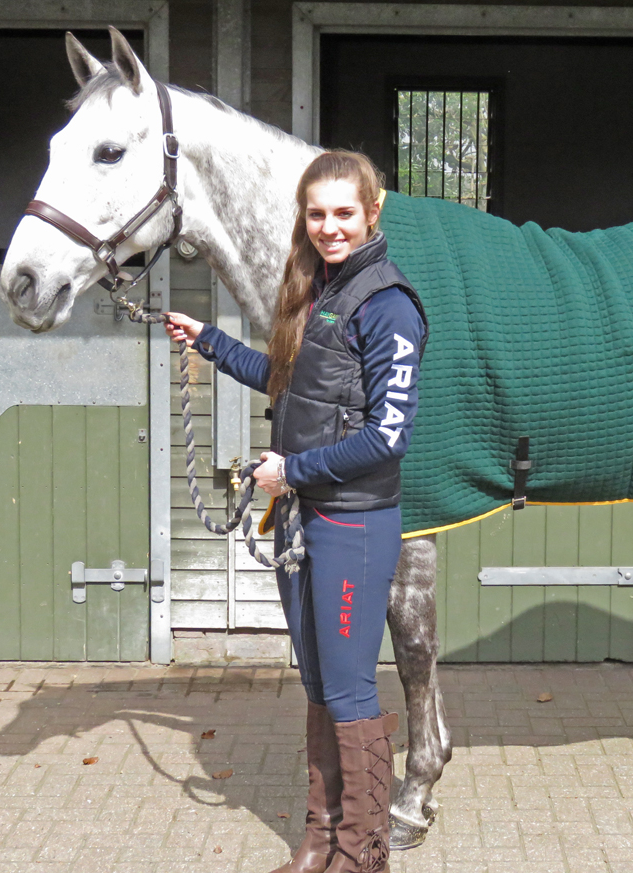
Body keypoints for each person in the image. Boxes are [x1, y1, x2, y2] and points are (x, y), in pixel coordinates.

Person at [164, 151, 428, 873]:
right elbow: (292, 387)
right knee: (317, 682)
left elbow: (388, 435)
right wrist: (210, 343)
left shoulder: (390, 304)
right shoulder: (317, 290)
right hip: (304, 518)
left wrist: (293, 471)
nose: (330, 226)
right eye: (317, 214)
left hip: (354, 520)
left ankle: (362, 850)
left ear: (372, 212)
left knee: (349, 687)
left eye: (345, 212)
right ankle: (321, 837)